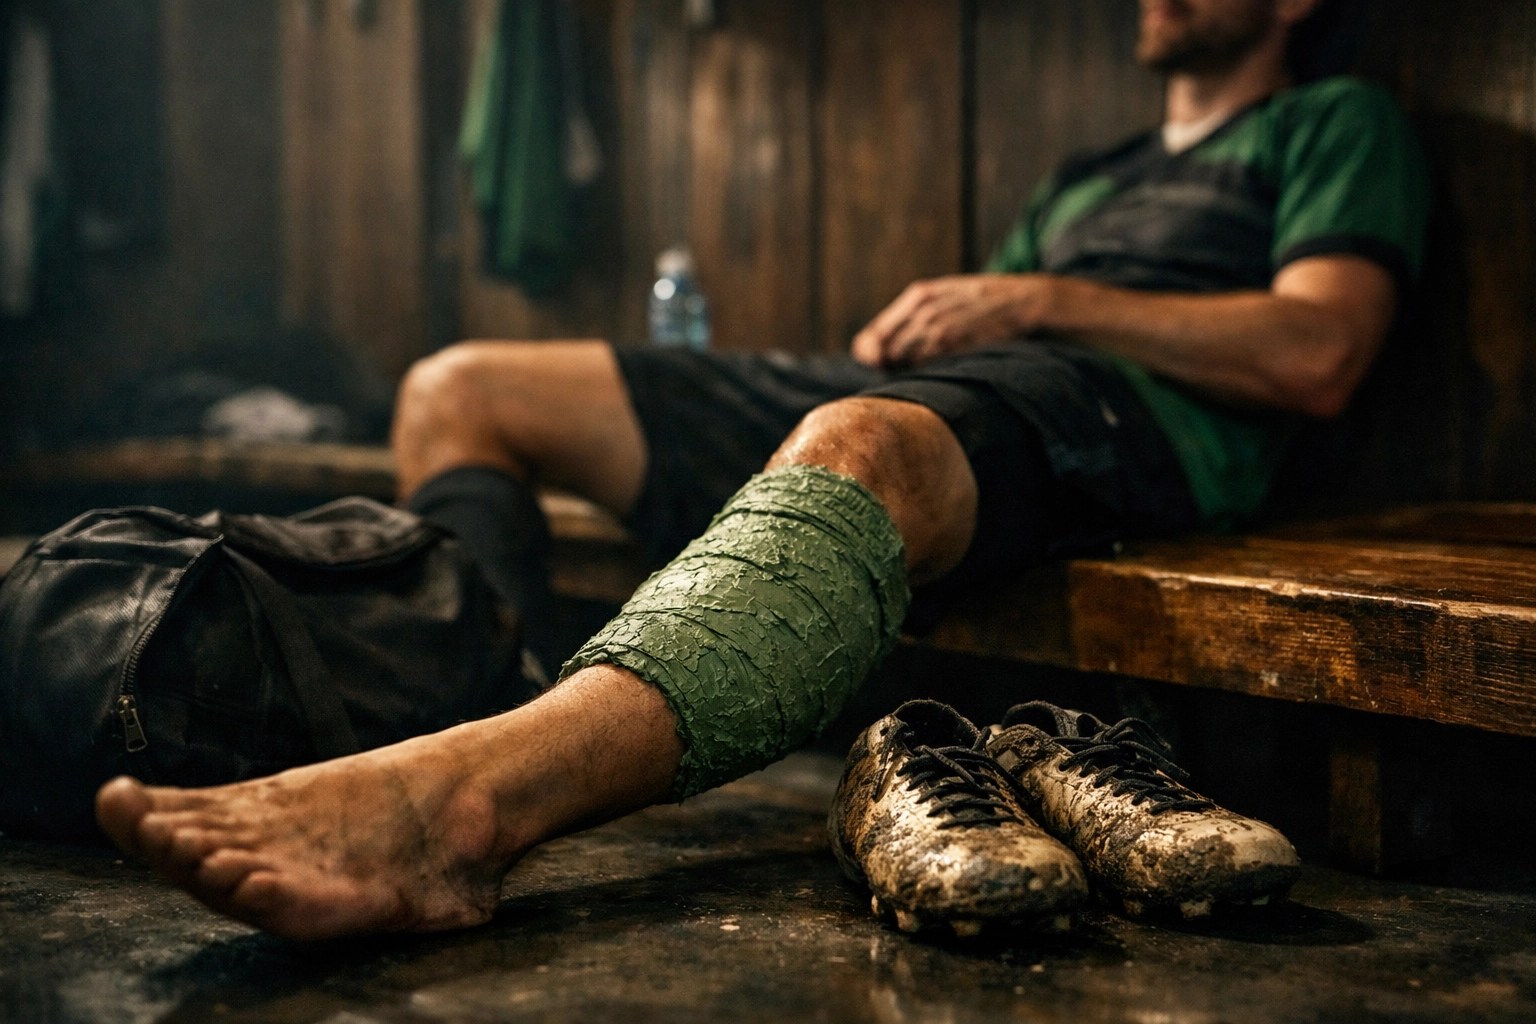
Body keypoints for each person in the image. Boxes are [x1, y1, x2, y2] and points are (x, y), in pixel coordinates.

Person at [94, 0, 1429, 940]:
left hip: (1131, 424)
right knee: (464, 385)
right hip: (958, 391)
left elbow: (1316, 351)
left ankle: (460, 808)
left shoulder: (1333, 121)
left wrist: (1031, 300)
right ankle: (489, 703)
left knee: (869, 444)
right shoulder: (1093, 175)